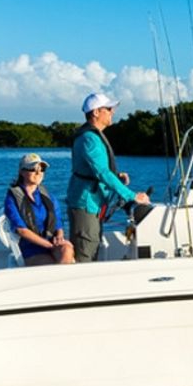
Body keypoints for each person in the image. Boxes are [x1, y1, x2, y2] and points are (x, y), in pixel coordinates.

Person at [66, 92, 151, 262]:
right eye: (109, 108)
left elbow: (98, 170)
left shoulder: (92, 136)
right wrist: (132, 196)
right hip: (87, 205)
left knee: (92, 247)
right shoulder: (89, 139)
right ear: (96, 112)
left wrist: (117, 176)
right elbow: (102, 173)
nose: (113, 112)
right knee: (86, 254)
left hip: (93, 205)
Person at [3, 153, 75, 266]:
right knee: (50, 263)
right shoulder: (12, 198)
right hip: (31, 248)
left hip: (51, 242)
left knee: (67, 249)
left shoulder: (48, 196)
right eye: (33, 169)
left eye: (42, 169)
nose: (38, 173)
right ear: (22, 172)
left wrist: (59, 236)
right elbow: (21, 230)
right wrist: (48, 245)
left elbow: (58, 223)